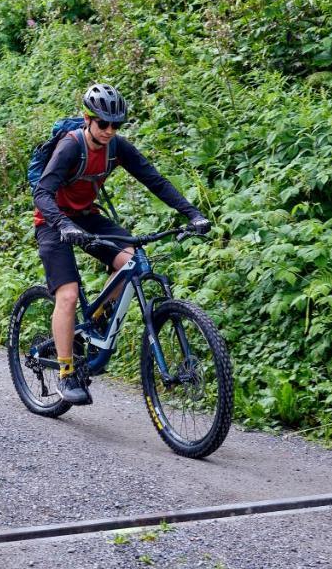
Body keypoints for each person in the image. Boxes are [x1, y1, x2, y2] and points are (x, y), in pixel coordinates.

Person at [33, 83, 210, 405]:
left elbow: (154, 180)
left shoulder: (117, 147)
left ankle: (97, 319)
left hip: (87, 216)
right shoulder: (71, 147)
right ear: (88, 119)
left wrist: (193, 213)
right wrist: (63, 224)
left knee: (133, 261)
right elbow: (42, 193)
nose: (110, 130)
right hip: (52, 220)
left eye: (116, 125)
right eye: (103, 124)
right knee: (68, 295)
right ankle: (66, 371)